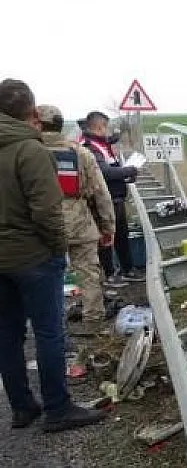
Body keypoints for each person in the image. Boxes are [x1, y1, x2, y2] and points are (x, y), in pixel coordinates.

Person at [0, 79, 106, 431]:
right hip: (34, 255)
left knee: (8, 334)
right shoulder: (31, 151)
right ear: (30, 113)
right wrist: (57, 247)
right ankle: (58, 409)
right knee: (49, 333)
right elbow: (46, 211)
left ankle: (21, 407)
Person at [37, 105, 115, 331]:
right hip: (80, 222)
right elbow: (100, 194)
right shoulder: (81, 153)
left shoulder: (27, 152)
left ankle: (50, 324)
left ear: (37, 124)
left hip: (42, 224)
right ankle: (93, 322)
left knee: (44, 275)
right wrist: (107, 226)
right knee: (89, 273)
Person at [80, 110, 140, 285]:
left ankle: (127, 269)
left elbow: (112, 167)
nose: (108, 131)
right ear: (99, 127)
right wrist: (130, 170)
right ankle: (109, 274)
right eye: (106, 127)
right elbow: (105, 172)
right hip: (103, 201)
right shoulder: (90, 147)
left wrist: (125, 176)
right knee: (106, 238)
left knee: (122, 235)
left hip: (116, 197)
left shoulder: (101, 144)